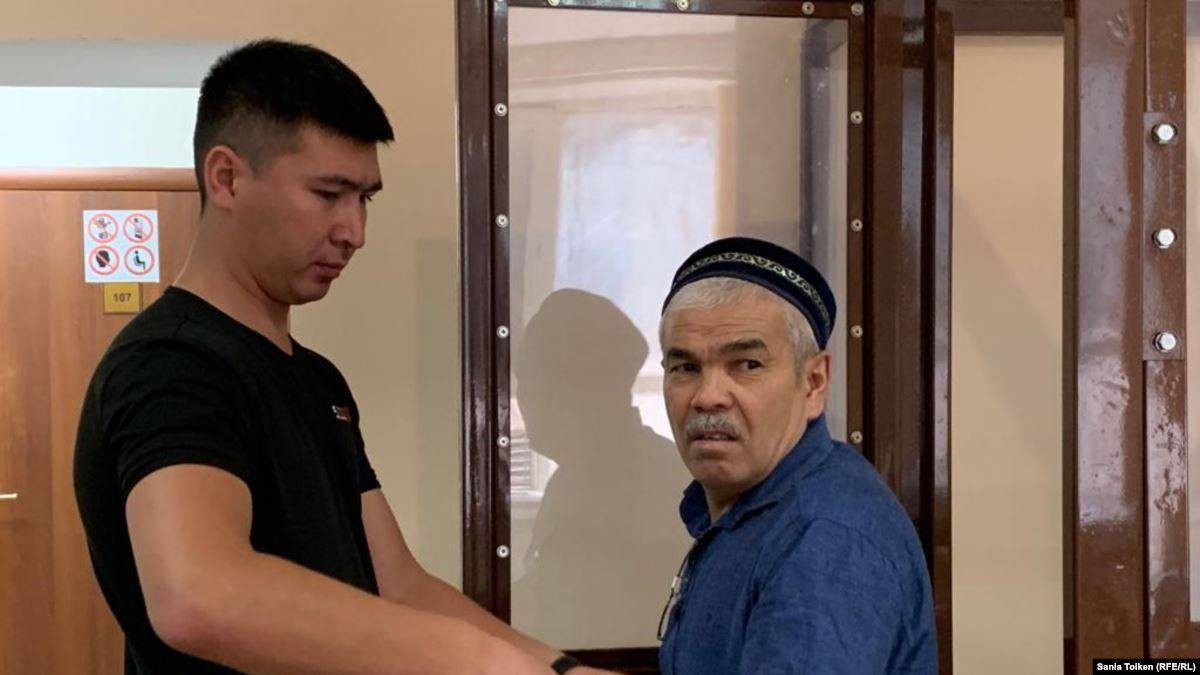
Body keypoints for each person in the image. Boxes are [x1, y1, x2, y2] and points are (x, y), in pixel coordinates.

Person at [74, 39, 606, 675]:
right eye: (329, 194)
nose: (355, 232)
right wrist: (477, 662)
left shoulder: (317, 379)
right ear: (227, 178)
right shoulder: (170, 364)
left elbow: (398, 584)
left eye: (364, 199)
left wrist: (561, 669)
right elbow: (201, 597)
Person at [655, 237, 937, 673]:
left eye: (747, 365)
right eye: (686, 367)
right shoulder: (750, 507)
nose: (708, 397)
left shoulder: (824, 538)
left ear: (813, 383)